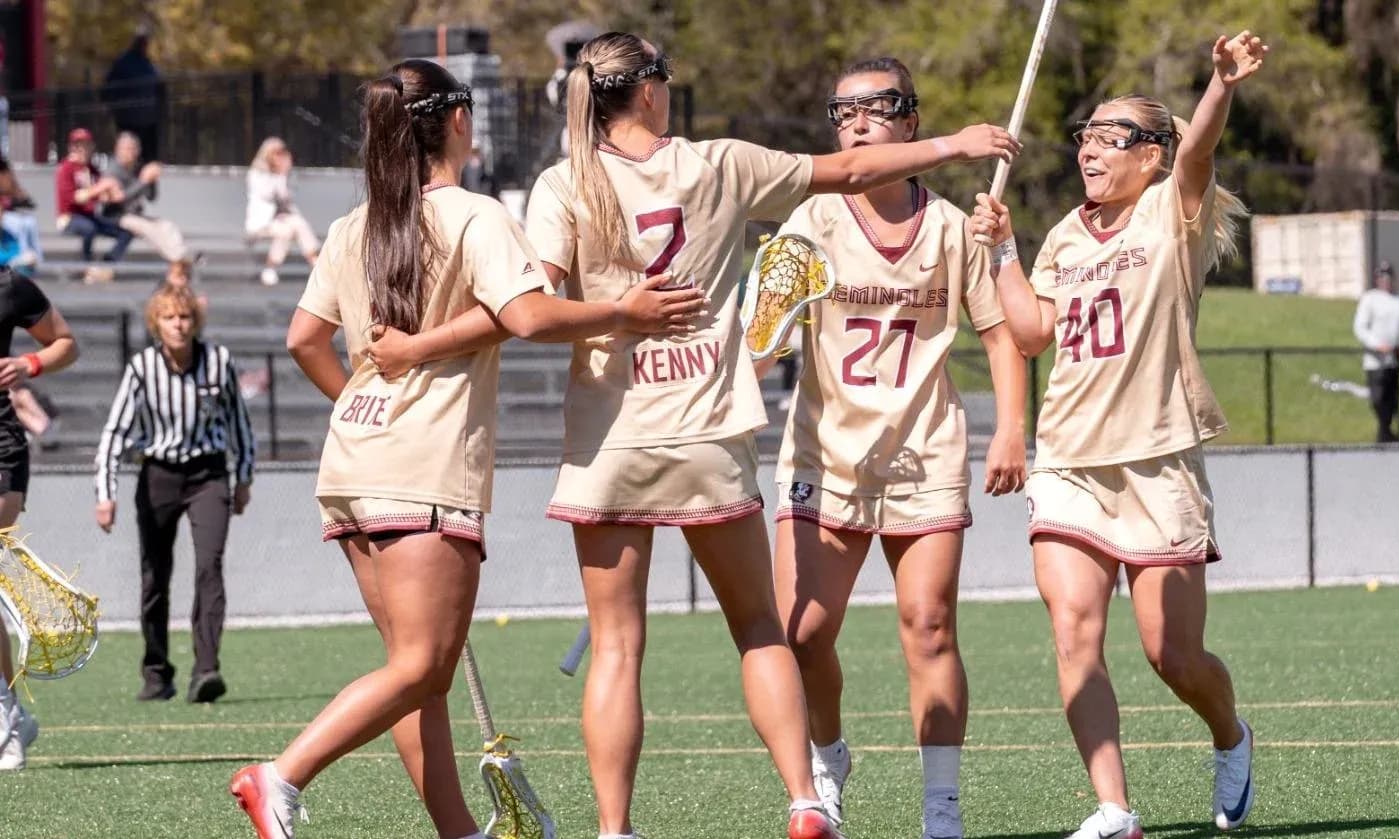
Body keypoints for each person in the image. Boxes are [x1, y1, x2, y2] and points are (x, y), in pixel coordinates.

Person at [371, 31, 1018, 839]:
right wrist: (955, 143)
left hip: (611, 438)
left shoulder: (563, 181)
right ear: (648, 92)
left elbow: (531, 312)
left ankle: (615, 827)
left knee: (615, 645)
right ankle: (805, 798)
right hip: (707, 434)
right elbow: (848, 171)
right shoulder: (719, 162)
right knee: (760, 628)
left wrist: (446, 342)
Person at [228, 58, 700, 839]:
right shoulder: (477, 216)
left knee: (415, 673)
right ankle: (280, 775)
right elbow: (528, 316)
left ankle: (459, 832)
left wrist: (354, 399)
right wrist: (625, 311)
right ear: (456, 121)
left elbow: (304, 338)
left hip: (355, 458)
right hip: (423, 464)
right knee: (419, 667)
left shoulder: (356, 225)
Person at [969, 30, 1268, 839]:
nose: (1091, 150)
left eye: (1112, 137)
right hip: (1069, 457)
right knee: (1073, 630)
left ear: (1151, 155)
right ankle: (1115, 809)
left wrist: (1218, 85)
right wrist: (1002, 247)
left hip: (1156, 459)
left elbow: (1200, 148)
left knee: (1173, 654)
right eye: (1085, 137)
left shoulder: (1175, 210)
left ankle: (1230, 734)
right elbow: (1030, 334)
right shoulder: (1065, 235)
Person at [769, 57, 1028, 839]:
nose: (853, 121)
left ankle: (941, 804)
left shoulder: (954, 228)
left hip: (924, 452)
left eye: (874, 107)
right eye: (840, 110)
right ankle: (828, 753)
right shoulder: (808, 221)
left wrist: (1011, 426)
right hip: (825, 454)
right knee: (803, 631)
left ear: (910, 121)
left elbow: (1001, 333)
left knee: (930, 624)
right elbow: (764, 339)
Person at [93, 286, 255, 705]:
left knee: (209, 566)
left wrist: (244, 478)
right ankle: (157, 671)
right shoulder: (142, 367)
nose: (178, 325)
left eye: (184, 317)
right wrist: (104, 493)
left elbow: (239, 422)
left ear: (194, 322)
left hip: (209, 473)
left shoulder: (218, 361)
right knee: (155, 577)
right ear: (156, 323)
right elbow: (115, 431)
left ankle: (206, 669)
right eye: (169, 318)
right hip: (158, 474)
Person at [0, 266, 79, 770]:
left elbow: (65, 342)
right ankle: (11, 715)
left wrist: (29, 362)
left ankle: (5, 719)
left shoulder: (10, 286)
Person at [1353, 261, 1399, 443]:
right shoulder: (1370, 299)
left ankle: (1385, 434)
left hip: (1395, 358)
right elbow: (1360, 327)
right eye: (1382, 276)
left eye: (1388, 276)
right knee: (1377, 397)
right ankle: (1385, 431)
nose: (1385, 280)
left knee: (1392, 397)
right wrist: (1376, 344)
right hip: (1375, 359)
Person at [54, 128, 132, 277]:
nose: (81, 149)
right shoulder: (66, 168)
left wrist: (114, 193)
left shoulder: (92, 169)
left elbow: (103, 195)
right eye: (77, 145)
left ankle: (108, 264)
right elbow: (75, 198)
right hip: (68, 217)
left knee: (125, 231)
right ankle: (86, 266)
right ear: (71, 147)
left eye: (85, 145)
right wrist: (101, 188)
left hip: (90, 216)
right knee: (89, 228)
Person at [103, 132, 190, 263]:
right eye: (127, 148)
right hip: (114, 215)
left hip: (135, 214)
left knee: (167, 226)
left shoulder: (138, 168)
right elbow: (118, 199)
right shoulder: (112, 170)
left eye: (134, 148)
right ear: (117, 149)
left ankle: (183, 258)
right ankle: (177, 261)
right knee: (148, 228)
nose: (131, 152)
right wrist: (143, 181)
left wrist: (152, 180)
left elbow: (151, 198)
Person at [245, 137, 320, 287]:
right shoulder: (256, 174)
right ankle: (270, 268)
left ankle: (315, 262)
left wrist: (283, 174)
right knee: (287, 229)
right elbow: (268, 194)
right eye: (277, 153)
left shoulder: (281, 176)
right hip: (261, 224)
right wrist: (281, 174)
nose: (280, 157)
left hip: (280, 222)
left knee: (297, 223)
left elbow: (286, 200)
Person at [102, 28, 162, 163]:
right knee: (129, 155)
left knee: (146, 156)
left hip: (147, 120)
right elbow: (109, 88)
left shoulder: (147, 64)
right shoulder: (124, 63)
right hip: (128, 120)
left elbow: (158, 86)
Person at [0, 154, 43, 272]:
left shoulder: (5, 171)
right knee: (19, 224)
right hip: (4, 214)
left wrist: (18, 198)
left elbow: (20, 194)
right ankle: (22, 257)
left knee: (30, 221)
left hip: (9, 212)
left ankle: (37, 261)